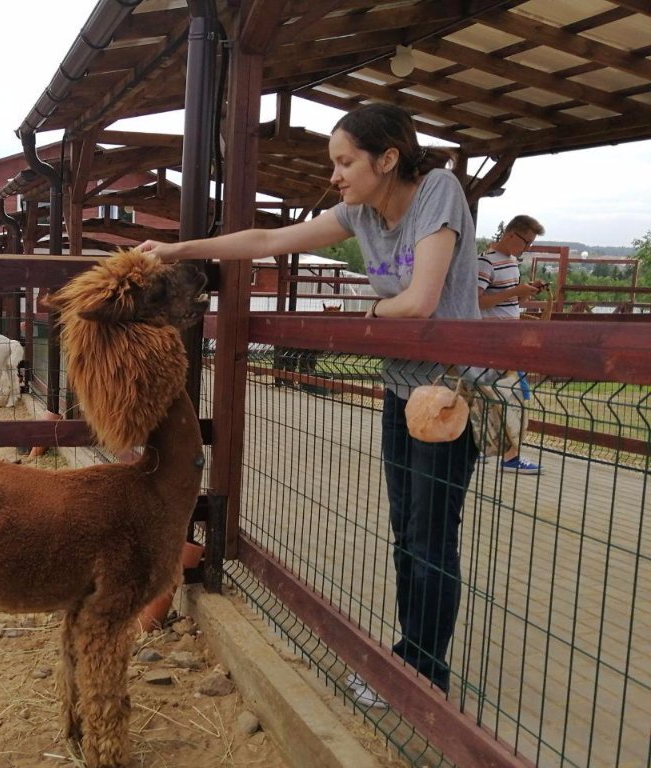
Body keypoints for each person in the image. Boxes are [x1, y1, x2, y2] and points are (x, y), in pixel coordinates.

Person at [138, 103, 479, 702]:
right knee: (408, 532)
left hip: (450, 396)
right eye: (335, 164)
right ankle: (414, 660)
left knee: (430, 538)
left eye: (346, 161)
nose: (336, 175)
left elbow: (421, 301)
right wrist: (179, 250)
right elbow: (269, 238)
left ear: (388, 158)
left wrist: (369, 314)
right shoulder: (360, 213)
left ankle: (423, 673)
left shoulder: (439, 192)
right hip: (403, 389)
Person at [477, 215, 546, 474]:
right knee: (514, 395)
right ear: (510, 235)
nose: (526, 248)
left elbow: (505, 300)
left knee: (492, 395)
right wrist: (516, 292)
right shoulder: (485, 262)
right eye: (526, 242)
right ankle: (510, 457)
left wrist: (524, 291)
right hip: (492, 341)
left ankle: (489, 449)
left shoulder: (511, 262)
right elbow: (478, 301)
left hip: (508, 338)